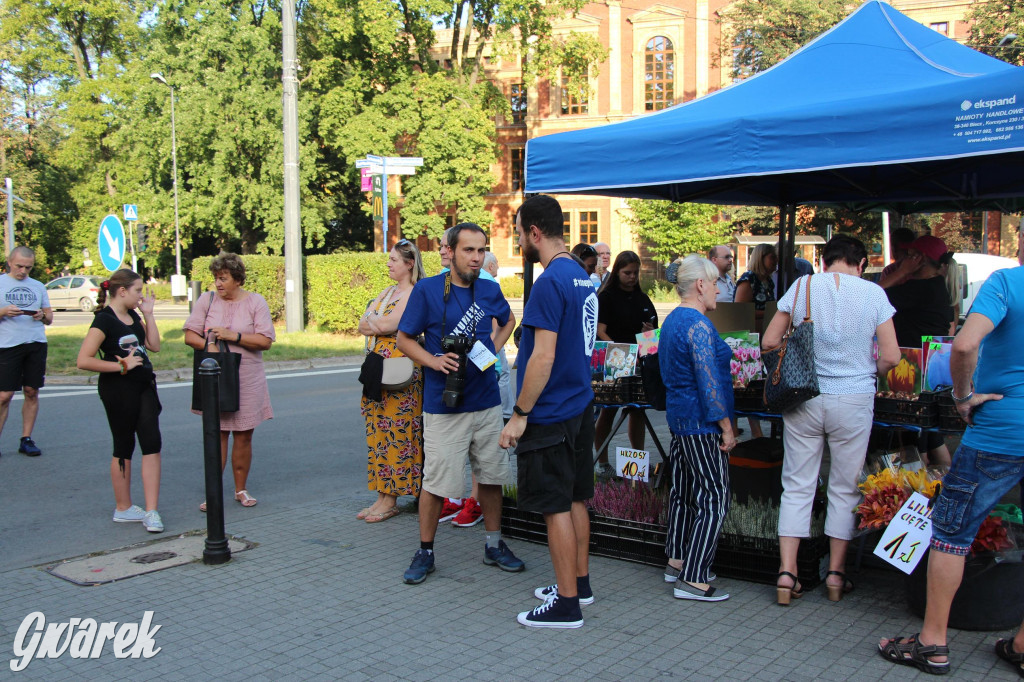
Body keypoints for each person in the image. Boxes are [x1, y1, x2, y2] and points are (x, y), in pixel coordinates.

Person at [878, 264, 1024, 676]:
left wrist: (963, 396)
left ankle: (931, 643)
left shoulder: (1007, 283)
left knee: (951, 531)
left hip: (1000, 431)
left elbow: (963, 346)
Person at [763, 236, 900, 605]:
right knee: (845, 486)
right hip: (854, 399)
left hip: (806, 396)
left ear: (823, 261)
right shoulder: (873, 295)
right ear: (861, 265)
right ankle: (837, 576)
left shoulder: (803, 285)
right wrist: (864, 371)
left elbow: (769, 340)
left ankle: (787, 574)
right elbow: (891, 356)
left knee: (798, 484)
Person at [396, 222, 523, 584]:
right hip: (443, 404)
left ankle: (494, 545)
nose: (477, 257)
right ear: (450, 252)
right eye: (469, 250)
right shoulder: (428, 289)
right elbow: (405, 339)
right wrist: (434, 361)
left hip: (485, 401)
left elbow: (509, 319)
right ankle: (425, 551)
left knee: (493, 477)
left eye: (482, 250)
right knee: (436, 483)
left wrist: (490, 350)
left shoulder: (488, 288)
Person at [499, 194, 598, 628]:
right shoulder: (580, 275)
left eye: (519, 231)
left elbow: (541, 357)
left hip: (552, 411)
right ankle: (579, 583)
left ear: (534, 233)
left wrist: (520, 413)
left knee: (555, 505)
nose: (518, 239)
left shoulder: (548, 283)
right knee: (575, 497)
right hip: (579, 406)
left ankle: (567, 605)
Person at [658, 255, 736, 602]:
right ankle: (694, 577)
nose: (719, 289)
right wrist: (727, 427)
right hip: (702, 422)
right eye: (716, 282)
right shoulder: (699, 326)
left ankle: (676, 561)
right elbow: (710, 384)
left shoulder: (673, 320)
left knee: (684, 492)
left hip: (679, 418)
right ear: (701, 285)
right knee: (714, 497)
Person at [183, 253, 275, 510]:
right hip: (215, 377)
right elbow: (190, 335)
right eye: (215, 279)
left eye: (223, 278)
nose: (218, 284)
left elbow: (265, 341)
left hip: (247, 377)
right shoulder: (207, 299)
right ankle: (213, 492)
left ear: (237, 279)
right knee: (218, 434)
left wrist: (232, 336)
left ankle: (240, 489)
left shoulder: (256, 302)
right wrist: (211, 347)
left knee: (243, 436)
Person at [76, 269, 164, 532]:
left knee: (152, 443)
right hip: (118, 390)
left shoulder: (134, 315)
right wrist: (122, 367)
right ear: (122, 291)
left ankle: (151, 511)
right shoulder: (104, 320)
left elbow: (155, 346)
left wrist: (148, 314)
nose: (141, 296)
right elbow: (83, 360)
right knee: (123, 445)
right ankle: (123, 508)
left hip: (144, 385)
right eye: (138, 291)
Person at [356, 239, 426, 523]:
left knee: (397, 431)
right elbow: (362, 325)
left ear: (409, 264)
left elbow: (382, 325)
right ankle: (382, 495)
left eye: (394, 260)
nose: (388, 263)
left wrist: (375, 319)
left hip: (401, 370)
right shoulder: (387, 292)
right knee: (378, 432)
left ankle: (393, 497)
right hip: (378, 367)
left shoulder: (414, 293)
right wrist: (376, 321)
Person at [594, 250, 657, 477]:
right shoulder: (607, 297)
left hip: (639, 362)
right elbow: (599, 331)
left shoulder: (643, 298)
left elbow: (653, 337)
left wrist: (650, 336)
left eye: (635, 273)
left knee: (637, 411)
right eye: (627, 273)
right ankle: (602, 463)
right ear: (617, 272)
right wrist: (620, 351)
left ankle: (637, 463)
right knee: (608, 412)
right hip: (614, 362)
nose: (632, 277)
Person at [0, 246, 52, 458]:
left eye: (28, 268)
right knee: (4, 395)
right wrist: (3, 311)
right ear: (10, 262)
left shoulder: (38, 286)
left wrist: (41, 315)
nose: (23, 271)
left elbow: (49, 317)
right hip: (7, 345)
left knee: (31, 391)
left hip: (35, 343)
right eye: (19, 266)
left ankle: (26, 439)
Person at [734, 243, 777, 320]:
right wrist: (771, 313)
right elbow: (740, 310)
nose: (776, 261)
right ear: (760, 258)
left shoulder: (768, 281)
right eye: (772, 257)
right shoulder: (748, 280)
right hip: (749, 329)